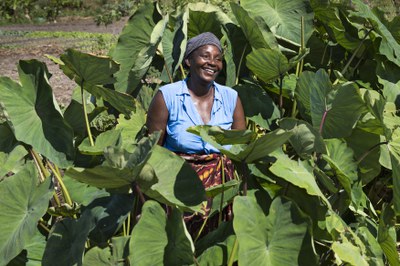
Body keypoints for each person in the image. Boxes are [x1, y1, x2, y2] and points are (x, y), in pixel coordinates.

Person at [146, 32, 246, 236]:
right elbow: (152, 153)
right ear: (188, 60)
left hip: (221, 195)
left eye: (218, 59)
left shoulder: (231, 98)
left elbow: (241, 150)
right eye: (205, 56)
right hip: (177, 188)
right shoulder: (167, 96)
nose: (212, 63)